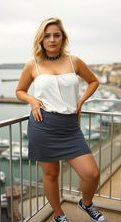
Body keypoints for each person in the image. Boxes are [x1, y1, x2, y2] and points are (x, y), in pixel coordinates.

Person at [16, 18, 106, 222]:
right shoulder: (33, 65)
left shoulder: (75, 61)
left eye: (56, 35)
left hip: (70, 128)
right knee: (51, 175)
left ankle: (86, 203)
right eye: (47, 35)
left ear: (63, 37)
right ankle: (58, 215)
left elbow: (93, 81)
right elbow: (19, 91)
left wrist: (81, 100)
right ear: (41, 39)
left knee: (91, 173)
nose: (52, 39)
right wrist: (32, 100)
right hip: (43, 126)